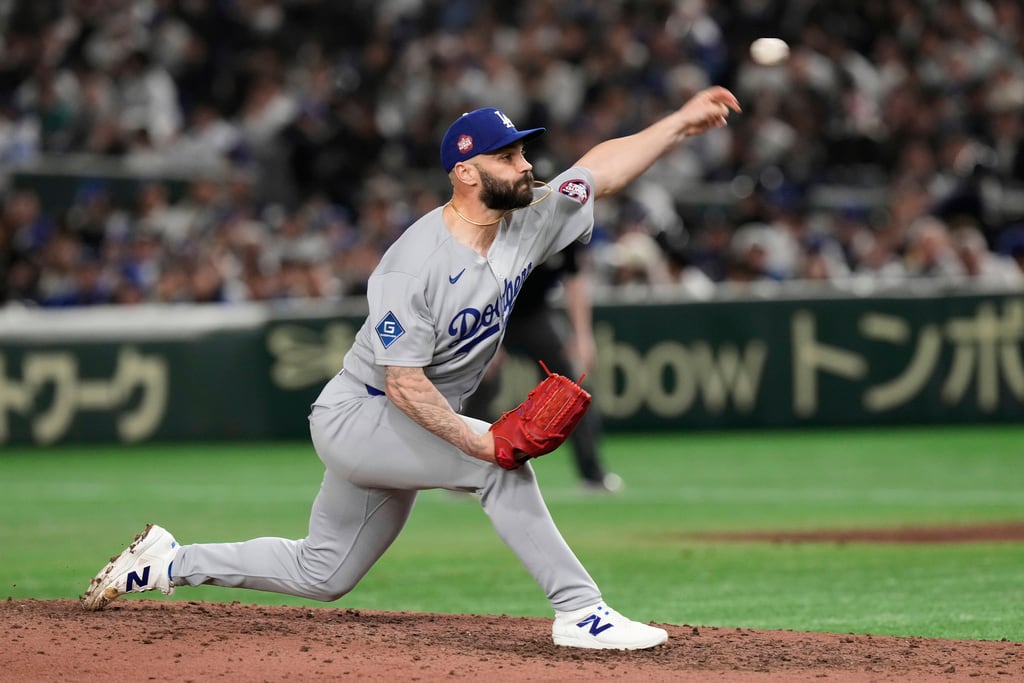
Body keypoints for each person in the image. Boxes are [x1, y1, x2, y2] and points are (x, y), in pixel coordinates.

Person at [81, 86, 741, 650]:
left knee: (323, 571)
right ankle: (581, 612)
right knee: (498, 464)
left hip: (404, 420)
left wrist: (679, 122)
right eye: (508, 156)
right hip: (361, 413)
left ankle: (167, 561)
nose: (525, 165)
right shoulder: (411, 265)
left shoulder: (530, 219)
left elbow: (599, 170)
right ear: (466, 173)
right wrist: (481, 442)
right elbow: (403, 383)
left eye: (523, 152)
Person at [462, 240, 623, 492]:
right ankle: (464, 475)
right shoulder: (513, 228)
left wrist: (582, 336)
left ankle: (593, 475)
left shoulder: (568, 233)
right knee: (481, 387)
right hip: (496, 312)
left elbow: (574, 280)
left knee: (571, 391)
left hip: (536, 313)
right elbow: (482, 278)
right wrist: (485, 335)